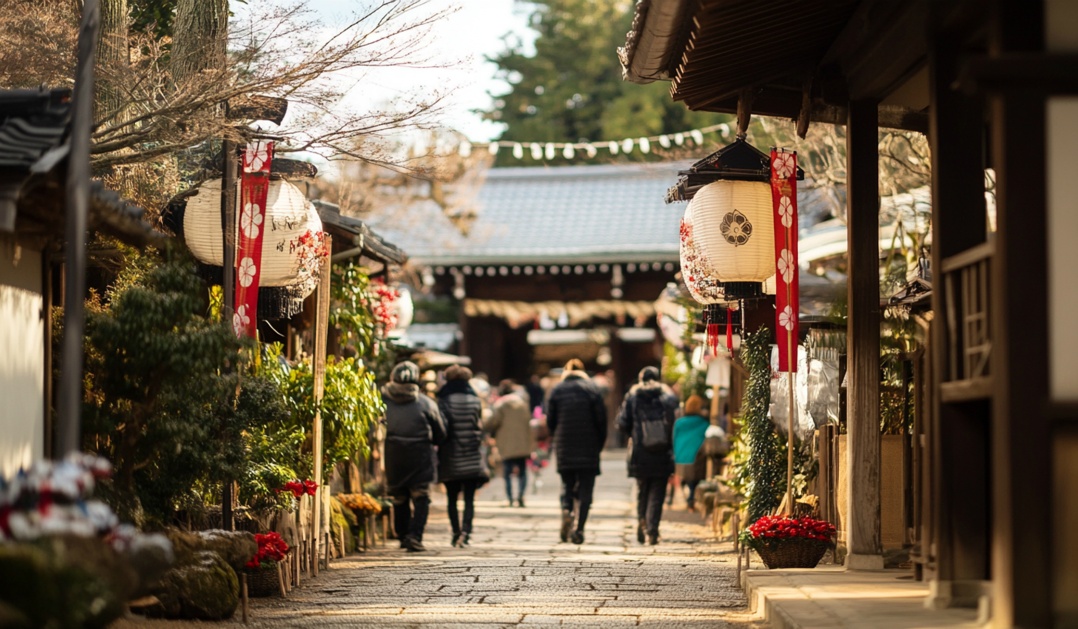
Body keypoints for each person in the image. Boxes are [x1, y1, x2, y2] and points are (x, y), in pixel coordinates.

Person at [382, 361, 446, 552]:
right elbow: (440, 433)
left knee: (399, 496)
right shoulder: (426, 403)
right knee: (421, 497)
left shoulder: (382, 400)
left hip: (394, 454)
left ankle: (402, 536)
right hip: (420, 455)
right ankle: (415, 536)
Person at [546, 358, 607, 545]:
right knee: (586, 489)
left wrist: (556, 438)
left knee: (567, 484)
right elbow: (601, 421)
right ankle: (579, 529)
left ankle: (567, 509)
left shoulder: (557, 390)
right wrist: (599, 444)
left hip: (565, 445)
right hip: (588, 446)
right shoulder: (592, 389)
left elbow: (550, 421)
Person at [617, 366, 678, 545]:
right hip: (662, 452)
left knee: (642, 490)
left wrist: (634, 434)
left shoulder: (633, 397)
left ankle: (641, 519)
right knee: (658, 493)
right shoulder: (666, 398)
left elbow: (622, 422)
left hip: (640, 451)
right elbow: (674, 423)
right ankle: (653, 530)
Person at [437, 364, 488, 547]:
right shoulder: (475, 400)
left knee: (452, 498)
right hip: (471, 453)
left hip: (450, 454)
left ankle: (455, 532)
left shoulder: (443, 400)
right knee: (469, 499)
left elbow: (441, 428)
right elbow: (479, 426)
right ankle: (466, 532)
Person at [485, 379, 536, 507]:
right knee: (522, 471)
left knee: (507, 472)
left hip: (506, 443)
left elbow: (493, 422)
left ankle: (510, 497)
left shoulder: (500, 405)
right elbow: (528, 422)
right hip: (523, 443)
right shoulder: (522, 403)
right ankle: (520, 496)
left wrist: (486, 428)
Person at [672, 394, 711, 512]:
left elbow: (674, 438)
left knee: (688, 478)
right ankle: (691, 498)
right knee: (695, 478)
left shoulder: (679, 422)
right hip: (696, 456)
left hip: (681, 455)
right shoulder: (704, 423)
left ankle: (690, 497)